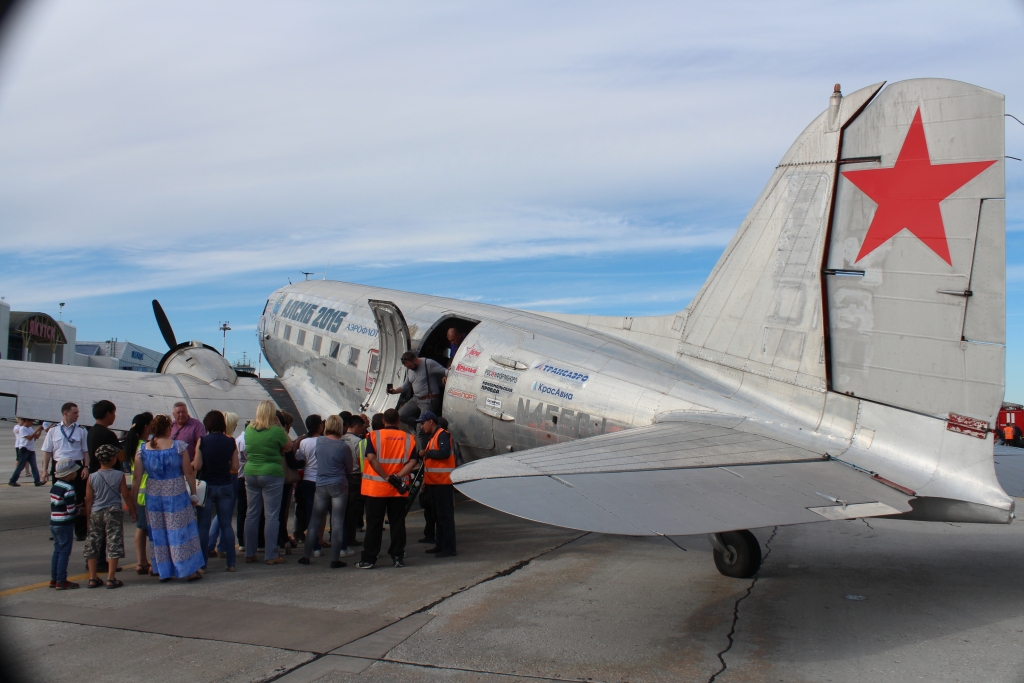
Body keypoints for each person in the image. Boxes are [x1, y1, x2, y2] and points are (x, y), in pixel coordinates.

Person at [131, 414, 203, 581]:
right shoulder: (178, 447)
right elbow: (188, 472)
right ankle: (187, 569)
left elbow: (136, 478)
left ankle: (164, 570)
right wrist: (193, 492)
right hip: (175, 492)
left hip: (154, 494)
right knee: (180, 531)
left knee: (159, 532)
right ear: (168, 429)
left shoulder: (143, 450)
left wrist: (133, 501)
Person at [355, 408, 420, 569]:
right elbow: (413, 463)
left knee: (374, 524)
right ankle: (398, 556)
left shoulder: (374, 436)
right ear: (398, 421)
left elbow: (371, 458)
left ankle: (369, 558)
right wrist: (397, 477)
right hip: (398, 490)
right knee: (397, 523)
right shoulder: (409, 439)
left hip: (375, 489)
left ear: (384, 421)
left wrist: (385, 477)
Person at [299, 415, 352, 568]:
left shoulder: (319, 442)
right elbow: (349, 467)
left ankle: (306, 555)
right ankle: (335, 559)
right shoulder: (343, 447)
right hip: (338, 484)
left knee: (315, 521)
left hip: (320, 483)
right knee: (337, 522)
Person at [243, 400, 290, 565]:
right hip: (271, 473)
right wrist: (282, 428)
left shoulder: (249, 429)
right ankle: (271, 554)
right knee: (271, 515)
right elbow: (289, 446)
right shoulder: (276, 431)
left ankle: (249, 552)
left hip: (251, 472)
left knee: (252, 514)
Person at [84, 444, 136, 589]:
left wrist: (88, 516)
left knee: (93, 544)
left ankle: (93, 578)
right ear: (113, 459)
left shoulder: (92, 477)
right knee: (113, 543)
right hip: (113, 512)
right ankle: (111, 578)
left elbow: (89, 499)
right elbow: (125, 494)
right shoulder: (119, 475)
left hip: (96, 511)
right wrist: (132, 510)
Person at [194, 411, 240, 571]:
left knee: (203, 525)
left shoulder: (202, 441)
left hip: (206, 486)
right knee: (226, 524)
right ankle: (231, 563)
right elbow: (235, 466)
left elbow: (198, 465)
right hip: (225, 485)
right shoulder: (231, 442)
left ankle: (202, 563)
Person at [41, 403, 90, 540]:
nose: (78, 415)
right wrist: (44, 470)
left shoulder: (81, 430)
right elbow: (47, 452)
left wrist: (86, 467)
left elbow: (86, 451)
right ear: (65, 413)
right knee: (59, 497)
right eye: (75, 413)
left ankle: (80, 531)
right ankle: (58, 529)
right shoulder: (54, 430)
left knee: (79, 497)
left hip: (76, 465)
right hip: (59, 466)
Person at [86, 400, 122, 572]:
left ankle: (95, 561)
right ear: (108, 414)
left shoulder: (91, 432)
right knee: (111, 530)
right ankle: (105, 563)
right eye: (113, 413)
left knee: (95, 529)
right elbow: (121, 456)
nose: (114, 416)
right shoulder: (109, 435)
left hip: (95, 478)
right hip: (109, 480)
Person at [417, 412, 457, 557]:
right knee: (438, 516)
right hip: (434, 483)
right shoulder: (433, 437)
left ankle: (449, 547)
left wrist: (427, 453)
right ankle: (440, 545)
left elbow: (445, 452)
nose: (422, 427)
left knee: (445, 517)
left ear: (431, 422)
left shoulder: (442, 435)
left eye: (423, 423)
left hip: (442, 482)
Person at [387, 351, 447, 448]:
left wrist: (445, 376)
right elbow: (406, 385)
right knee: (400, 415)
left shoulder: (428, 363)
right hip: (416, 398)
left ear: (415, 359)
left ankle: (423, 455)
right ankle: (421, 425)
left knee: (420, 432)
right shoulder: (408, 369)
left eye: (410, 365)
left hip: (428, 400)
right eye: (407, 367)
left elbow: (444, 371)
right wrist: (394, 391)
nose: (409, 368)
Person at [123, 413, 155, 576]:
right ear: (146, 427)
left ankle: (141, 561)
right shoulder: (145, 446)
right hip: (147, 492)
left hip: (139, 494)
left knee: (141, 528)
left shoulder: (134, 445)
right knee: (149, 530)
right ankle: (147, 561)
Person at [207, 412, 240, 558]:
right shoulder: (230, 441)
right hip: (229, 478)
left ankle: (213, 544)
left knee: (217, 517)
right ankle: (220, 546)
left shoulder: (207, 441)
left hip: (212, 480)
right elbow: (235, 465)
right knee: (225, 516)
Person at [49, 459, 82, 590]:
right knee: (64, 552)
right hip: (64, 523)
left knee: (57, 550)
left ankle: (54, 578)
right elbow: (71, 510)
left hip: (54, 522)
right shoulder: (69, 489)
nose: (76, 473)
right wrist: (79, 510)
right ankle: (61, 580)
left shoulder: (55, 485)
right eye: (74, 471)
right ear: (69, 474)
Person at [293, 415, 323, 545]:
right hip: (321, 480)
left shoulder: (304, 442)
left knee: (309, 510)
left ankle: (312, 542)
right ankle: (318, 539)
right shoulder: (324, 441)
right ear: (319, 426)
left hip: (307, 479)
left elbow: (300, 459)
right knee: (322, 512)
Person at [341, 415, 367, 551]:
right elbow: (363, 461)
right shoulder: (359, 441)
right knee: (352, 508)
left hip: (341, 476)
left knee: (341, 508)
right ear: (356, 426)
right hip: (355, 476)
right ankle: (350, 537)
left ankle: (337, 535)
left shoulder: (339, 439)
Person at [10, 417, 43, 487]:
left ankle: (37, 481)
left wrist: (40, 431)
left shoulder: (30, 428)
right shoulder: (22, 429)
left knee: (34, 466)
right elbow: (29, 438)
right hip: (24, 450)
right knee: (20, 467)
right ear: (27, 421)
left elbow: (36, 437)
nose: (32, 423)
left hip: (31, 450)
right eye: (31, 422)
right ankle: (12, 480)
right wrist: (37, 430)